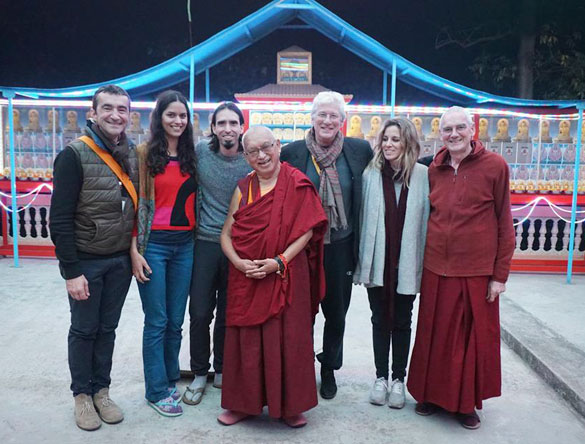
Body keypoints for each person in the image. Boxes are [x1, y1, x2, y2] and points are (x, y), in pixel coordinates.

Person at [407, 106, 515, 430]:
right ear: (440, 134)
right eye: (447, 129)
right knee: (432, 337)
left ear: (472, 130)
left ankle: (465, 404)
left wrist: (500, 275)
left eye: (459, 128)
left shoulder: (495, 166)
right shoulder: (433, 169)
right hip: (436, 266)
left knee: (468, 342)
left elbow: (504, 221)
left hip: (476, 270)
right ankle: (428, 394)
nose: (453, 134)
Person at [218, 126, 327, 427]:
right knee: (246, 340)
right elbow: (225, 234)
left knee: (289, 338)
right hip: (248, 275)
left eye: (267, 147)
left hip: (286, 273)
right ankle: (244, 404)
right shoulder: (244, 188)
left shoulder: (298, 183)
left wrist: (279, 262)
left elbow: (307, 230)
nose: (261, 155)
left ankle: (290, 405)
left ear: (279, 145)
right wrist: (239, 264)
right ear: (246, 156)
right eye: (253, 151)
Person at [50, 84, 138, 431]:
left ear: (129, 116)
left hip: (119, 260)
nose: (116, 115)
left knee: (108, 329)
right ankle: (82, 396)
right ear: (93, 113)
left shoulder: (132, 152)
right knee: (84, 330)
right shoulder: (73, 154)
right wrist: (71, 271)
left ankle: (102, 390)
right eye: (108, 108)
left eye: (122, 109)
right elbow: (59, 218)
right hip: (86, 260)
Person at [281, 91, 372, 399]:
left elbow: (392, 164)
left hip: (340, 246)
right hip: (303, 247)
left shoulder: (358, 151)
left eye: (334, 116)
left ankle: (329, 368)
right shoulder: (292, 154)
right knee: (302, 311)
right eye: (322, 114)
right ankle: (301, 365)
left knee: (336, 312)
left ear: (343, 122)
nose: (328, 121)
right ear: (312, 118)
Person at [130, 90, 197, 417]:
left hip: (186, 245)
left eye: (182, 115)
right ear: (160, 118)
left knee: (175, 321)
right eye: (171, 115)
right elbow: (131, 205)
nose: (177, 121)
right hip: (153, 245)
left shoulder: (192, 155)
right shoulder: (143, 154)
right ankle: (156, 390)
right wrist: (134, 250)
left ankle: (170, 379)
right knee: (156, 321)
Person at [354, 118, 429, 409]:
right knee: (379, 319)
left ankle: (399, 380)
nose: (388, 145)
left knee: (402, 320)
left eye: (395, 139)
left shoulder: (423, 175)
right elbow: (362, 216)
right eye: (385, 139)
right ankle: (380, 378)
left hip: (407, 259)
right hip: (379, 260)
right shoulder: (371, 173)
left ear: (407, 142)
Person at [183, 102, 251, 405]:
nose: (227, 129)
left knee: (229, 312)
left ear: (241, 127)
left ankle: (222, 367)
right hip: (204, 242)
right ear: (213, 128)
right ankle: (199, 371)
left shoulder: (250, 159)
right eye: (221, 123)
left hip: (238, 245)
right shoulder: (200, 153)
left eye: (233, 123)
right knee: (199, 312)